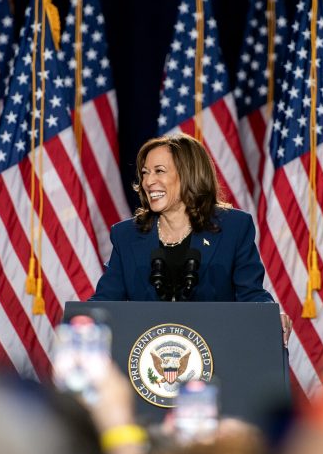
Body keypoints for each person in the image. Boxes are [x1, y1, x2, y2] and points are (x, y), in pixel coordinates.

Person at [89, 134, 292, 339]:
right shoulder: (127, 235)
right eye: (145, 173)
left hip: (218, 354)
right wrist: (81, 321)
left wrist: (269, 315)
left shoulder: (233, 228)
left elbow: (251, 294)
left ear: (189, 174)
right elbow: (105, 301)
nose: (148, 181)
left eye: (159, 171)